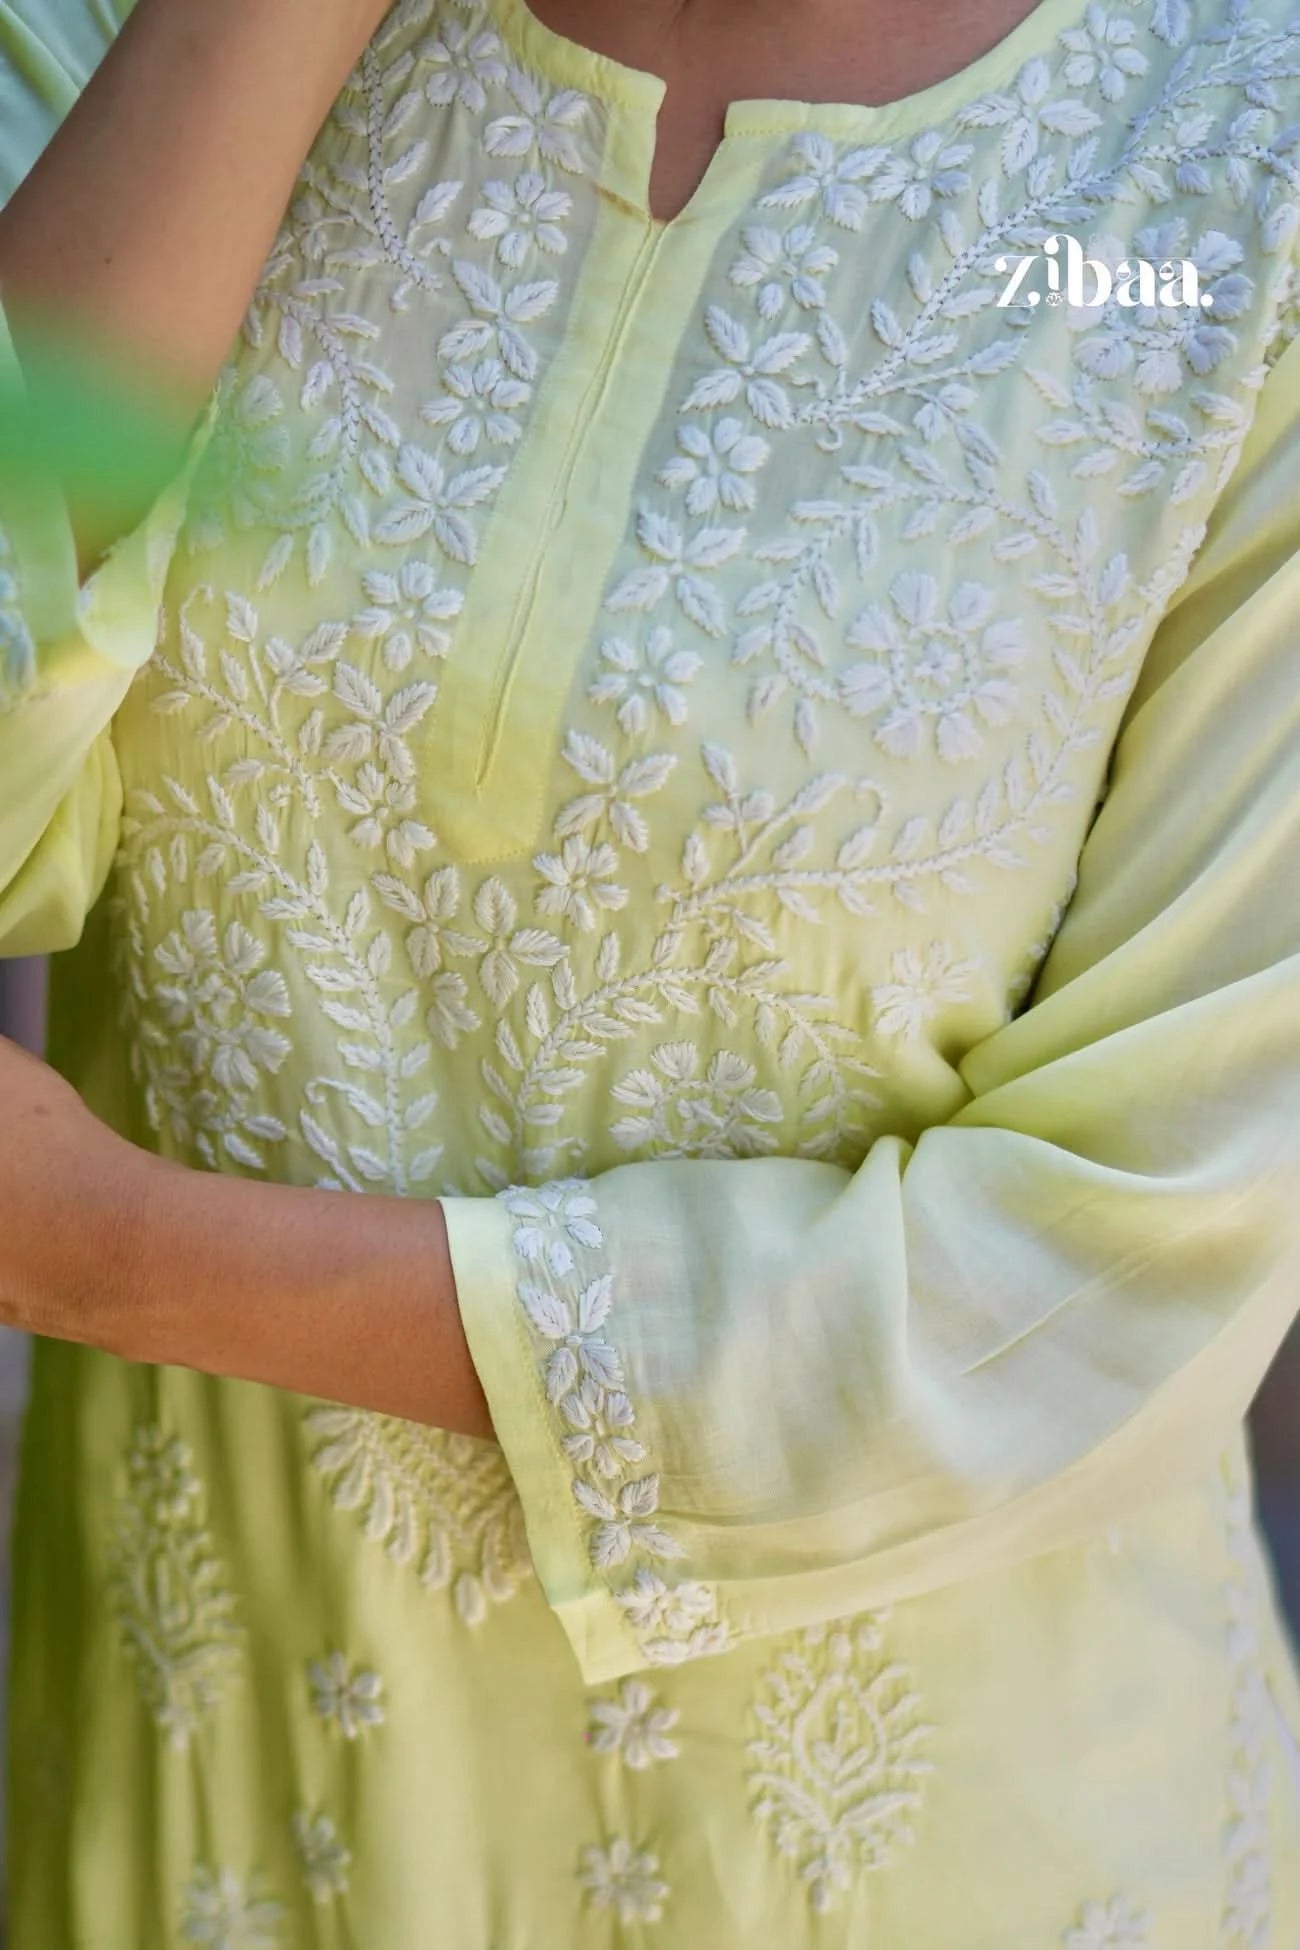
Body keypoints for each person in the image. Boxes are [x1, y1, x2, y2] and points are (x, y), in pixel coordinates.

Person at [2, 0, 1300, 1941]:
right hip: (209, 1788)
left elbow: (1101, 1272)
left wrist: (102, 1245)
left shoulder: (1239, 171)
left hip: (935, 1858)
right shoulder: (101, 37)